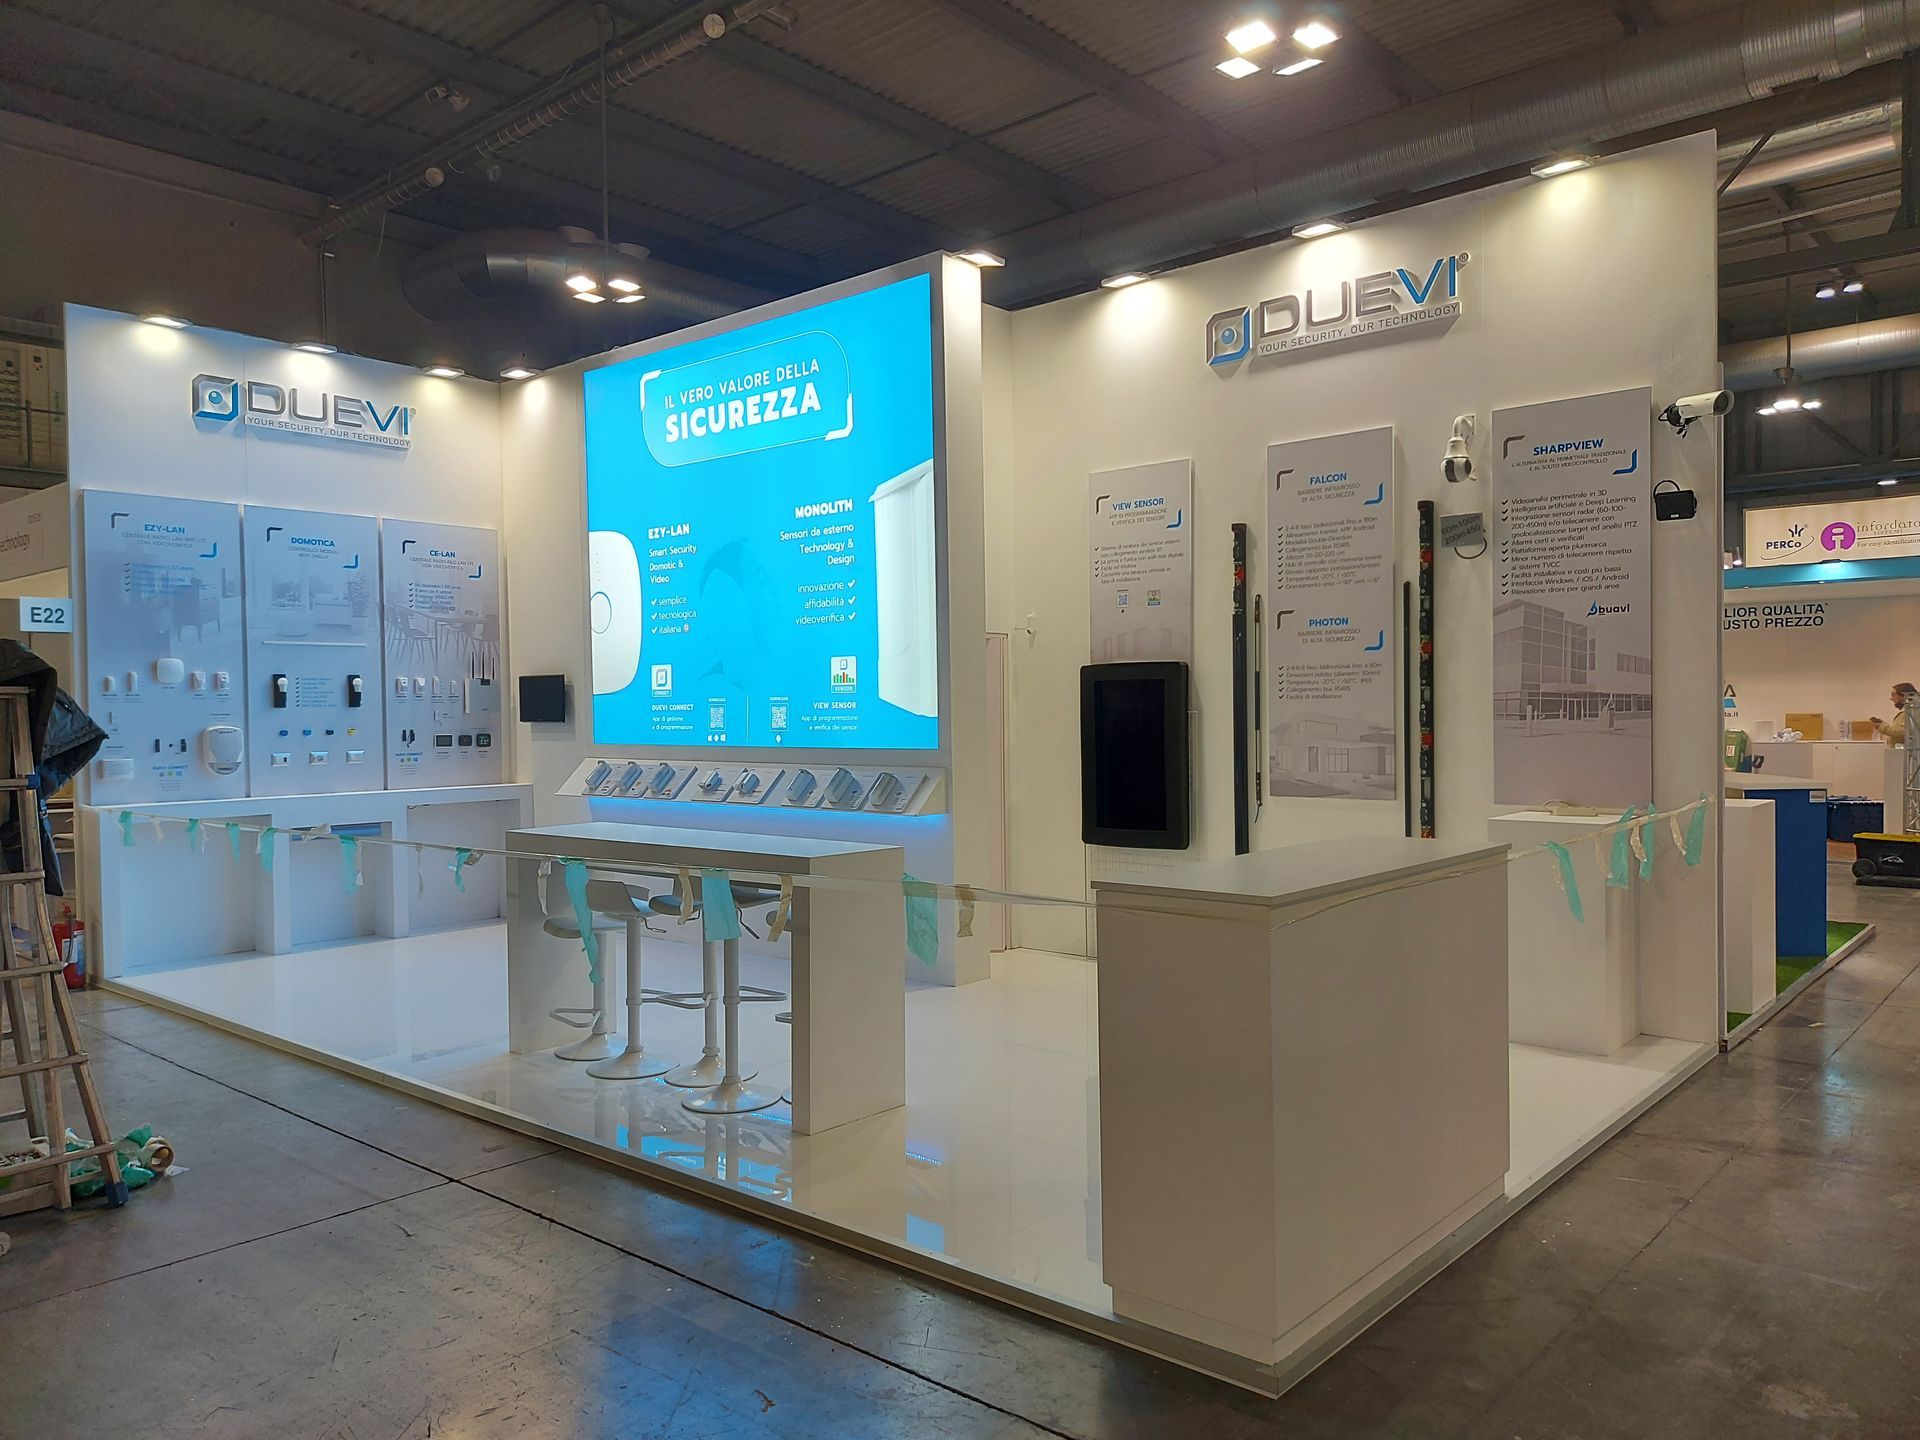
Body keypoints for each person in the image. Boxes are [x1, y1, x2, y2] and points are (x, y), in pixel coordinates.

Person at [1871, 682, 1919, 747]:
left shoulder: (1913, 712)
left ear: (1903, 696)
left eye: (1893, 695)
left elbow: (1903, 733)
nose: (1891, 698)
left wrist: (1882, 726)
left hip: (1908, 752)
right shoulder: (1910, 711)